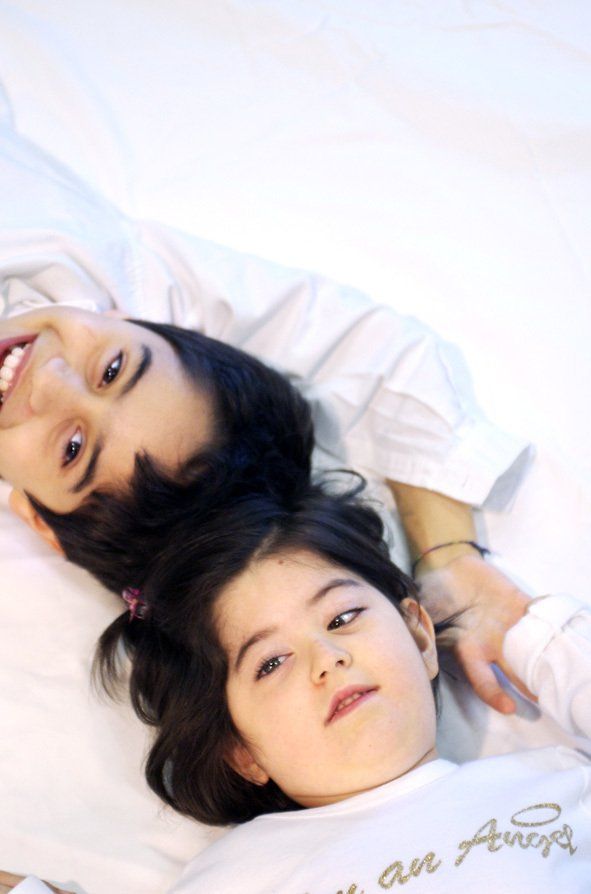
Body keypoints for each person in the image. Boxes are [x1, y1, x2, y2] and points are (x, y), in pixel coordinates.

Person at [1, 124, 532, 715]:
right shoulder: (104, 276)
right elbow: (379, 358)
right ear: (137, 318)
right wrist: (449, 555)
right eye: (112, 368)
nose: (48, 379)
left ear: (36, 517)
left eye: (73, 447)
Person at [102, 483, 591, 891]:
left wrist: (535, 634)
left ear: (420, 638)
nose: (327, 658)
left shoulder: (559, 785)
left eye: (342, 617)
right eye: (271, 663)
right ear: (241, 752)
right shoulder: (235, 877)